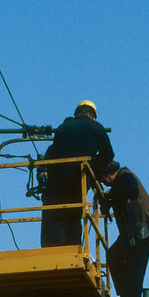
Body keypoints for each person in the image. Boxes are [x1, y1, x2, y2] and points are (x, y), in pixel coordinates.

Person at [98, 161, 149, 297]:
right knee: (114, 255)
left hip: (144, 230)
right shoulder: (121, 180)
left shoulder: (125, 176)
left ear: (108, 174)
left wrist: (109, 194)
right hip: (134, 232)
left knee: (135, 268)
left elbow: (131, 191)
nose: (102, 182)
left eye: (101, 178)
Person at [39, 100, 114, 247]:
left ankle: (52, 248)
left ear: (77, 114)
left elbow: (53, 151)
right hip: (80, 178)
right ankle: (73, 247)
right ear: (93, 115)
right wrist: (92, 162)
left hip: (58, 178)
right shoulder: (97, 128)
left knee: (54, 213)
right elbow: (109, 155)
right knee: (75, 212)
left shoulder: (64, 127)